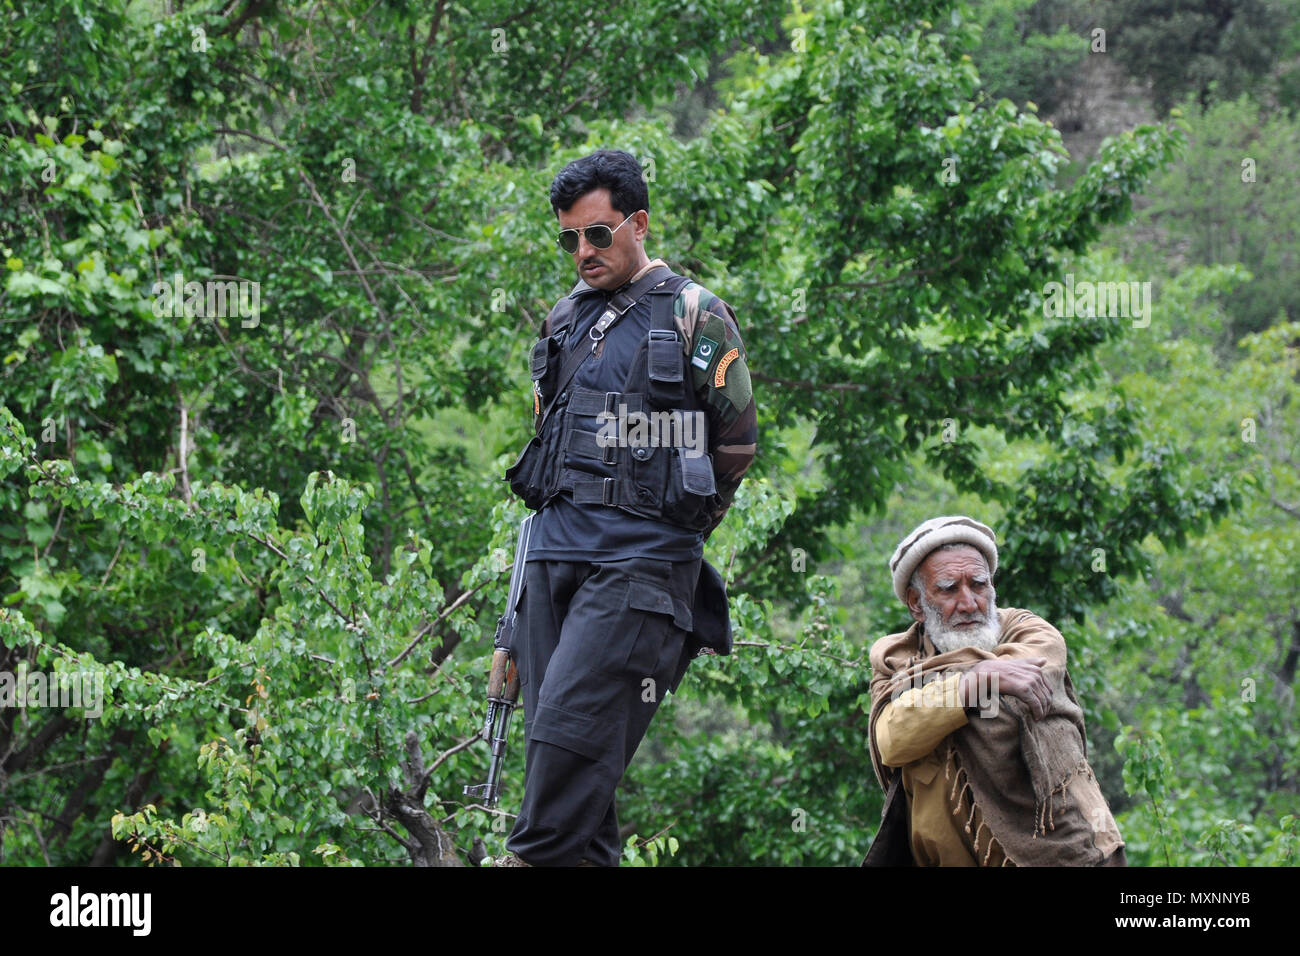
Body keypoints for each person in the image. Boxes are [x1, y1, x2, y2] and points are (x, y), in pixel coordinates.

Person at [499, 149, 757, 866]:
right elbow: (551, 435)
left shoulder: (692, 313)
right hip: (554, 556)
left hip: (641, 567)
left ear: (638, 223)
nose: (583, 251)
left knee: (568, 741)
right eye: (569, 239)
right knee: (574, 784)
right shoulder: (562, 321)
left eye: (599, 234)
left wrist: (675, 528)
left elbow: (736, 444)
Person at [862, 515, 1127, 866]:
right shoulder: (895, 660)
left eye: (979, 584)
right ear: (915, 603)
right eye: (948, 588)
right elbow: (892, 740)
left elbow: (1012, 701)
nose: (970, 602)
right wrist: (979, 678)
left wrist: (935, 699)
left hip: (1066, 855)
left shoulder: (1031, 634)